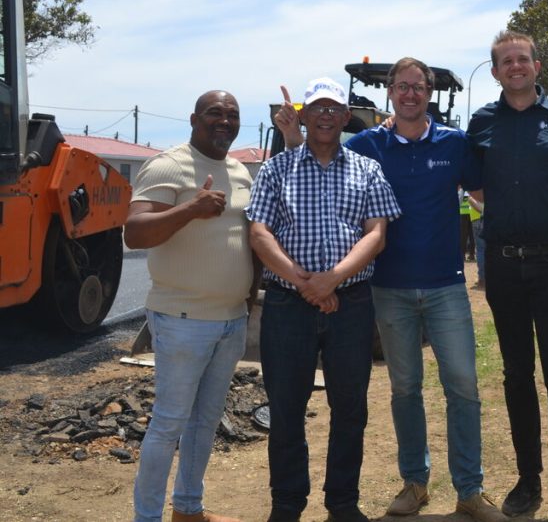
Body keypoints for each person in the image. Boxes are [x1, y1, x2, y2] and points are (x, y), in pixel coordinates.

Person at [273, 59, 505, 522]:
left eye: (418, 87)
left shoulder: (455, 144)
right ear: (390, 94)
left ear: (429, 93)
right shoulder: (367, 143)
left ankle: (470, 490)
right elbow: (319, 162)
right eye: (401, 87)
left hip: (446, 287)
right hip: (389, 290)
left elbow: (485, 194)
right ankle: (415, 484)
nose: (410, 95)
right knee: (405, 390)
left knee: (462, 386)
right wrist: (292, 136)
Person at [247, 77, 402, 522]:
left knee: (350, 408)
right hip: (286, 306)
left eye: (335, 108)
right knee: (286, 408)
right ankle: (287, 503)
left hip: (350, 306)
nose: (327, 115)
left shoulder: (367, 170)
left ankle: (342, 503)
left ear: (345, 116)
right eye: (318, 108)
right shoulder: (278, 169)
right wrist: (305, 284)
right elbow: (260, 234)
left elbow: (377, 234)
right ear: (305, 115)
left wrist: (331, 280)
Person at [466, 30, 548, 522]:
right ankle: (528, 481)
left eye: (523, 59)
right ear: (496, 71)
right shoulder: (481, 124)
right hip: (502, 266)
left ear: (536, 67)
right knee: (516, 376)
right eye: (506, 61)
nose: (515, 66)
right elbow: (471, 183)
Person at [126, 90, 257, 522]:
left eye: (232, 115)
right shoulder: (168, 164)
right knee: (168, 424)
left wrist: (251, 294)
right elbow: (136, 233)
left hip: (230, 320)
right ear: (194, 118)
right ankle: (147, 516)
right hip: (182, 320)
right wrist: (190, 210)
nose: (224, 121)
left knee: (205, 424)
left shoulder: (239, 171)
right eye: (214, 113)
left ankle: (188, 509)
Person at [467, 194, 486, 288]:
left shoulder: (475, 184)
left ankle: (482, 279)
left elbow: (470, 199)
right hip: (493, 217)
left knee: (481, 250)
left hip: (477, 218)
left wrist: (482, 211)